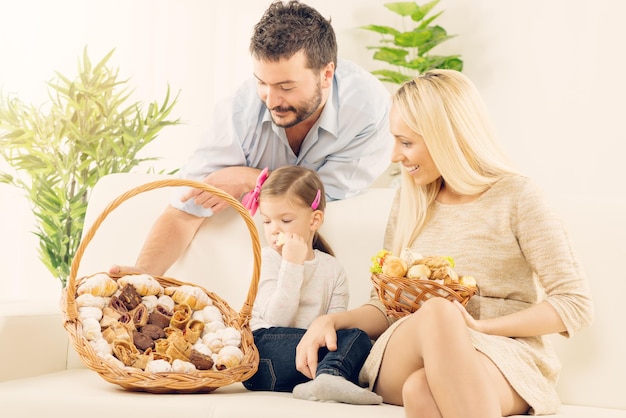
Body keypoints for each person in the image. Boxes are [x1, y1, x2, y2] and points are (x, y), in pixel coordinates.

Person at [294, 69, 593, 417]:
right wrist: (335, 321)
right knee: (438, 311)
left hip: (502, 354)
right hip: (407, 348)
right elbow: (385, 304)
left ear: (446, 137)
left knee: (422, 390)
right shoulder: (409, 201)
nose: (394, 156)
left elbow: (574, 304)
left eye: (406, 142)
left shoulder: (518, 197)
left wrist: (480, 327)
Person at [110, 0, 392, 277]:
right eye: (261, 82)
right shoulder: (241, 112)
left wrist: (250, 179)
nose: (271, 99)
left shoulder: (368, 112)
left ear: (326, 74)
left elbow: (320, 197)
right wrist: (143, 274)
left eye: (286, 87)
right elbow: (186, 208)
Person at [242, 165, 382, 405]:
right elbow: (278, 319)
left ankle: (327, 379)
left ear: (314, 219)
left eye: (285, 220)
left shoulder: (332, 269)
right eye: (267, 221)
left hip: (308, 363)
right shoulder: (268, 259)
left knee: (358, 336)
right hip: (264, 356)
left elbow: (335, 331)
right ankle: (329, 375)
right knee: (337, 343)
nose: (274, 229)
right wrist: (292, 265)